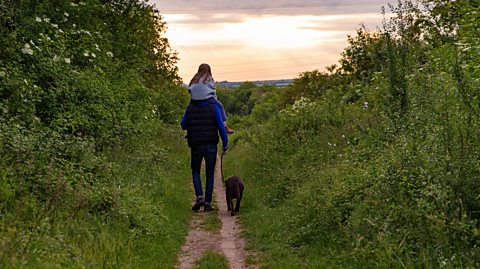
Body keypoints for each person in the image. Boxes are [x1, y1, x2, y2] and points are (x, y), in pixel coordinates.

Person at [181, 79, 229, 212]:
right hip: (211, 145)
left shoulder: (190, 107)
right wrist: (225, 143)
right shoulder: (214, 106)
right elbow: (220, 125)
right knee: (209, 173)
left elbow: (183, 125)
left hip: (195, 144)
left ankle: (199, 197)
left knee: (195, 171)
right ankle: (207, 203)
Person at [188, 63, 234, 134]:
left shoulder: (194, 79)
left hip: (194, 99)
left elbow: (190, 89)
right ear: (209, 70)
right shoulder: (209, 78)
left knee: (188, 110)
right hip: (207, 98)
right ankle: (225, 126)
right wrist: (215, 100)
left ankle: (188, 129)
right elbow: (212, 91)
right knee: (220, 106)